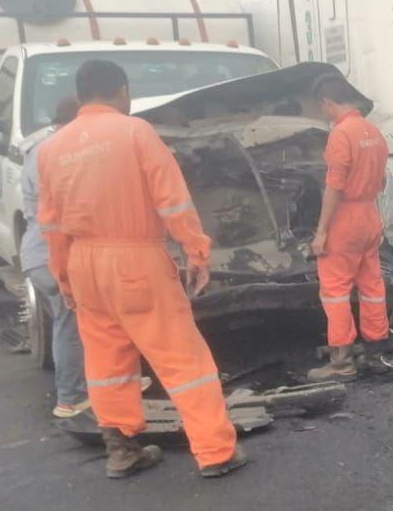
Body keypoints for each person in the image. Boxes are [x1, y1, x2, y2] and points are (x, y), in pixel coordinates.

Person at [37, 59, 246, 479]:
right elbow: (173, 201)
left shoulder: (51, 149)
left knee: (106, 363)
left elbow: (52, 225)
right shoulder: (134, 132)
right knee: (181, 358)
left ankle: (121, 450)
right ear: (123, 92)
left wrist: (64, 278)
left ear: (80, 98)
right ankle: (214, 451)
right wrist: (196, 252)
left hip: (84, 265)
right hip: (134, 258)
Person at [308, 75, 389, 380]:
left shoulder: (341, 134)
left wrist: (321, 232)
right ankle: (376, 348)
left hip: (346, 218)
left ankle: (341, 360)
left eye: (323, 108)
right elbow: (380, 181)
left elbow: (334, 188)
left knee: (335, 289)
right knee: (371, 284)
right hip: (370, 214)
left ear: (328, 102)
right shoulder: (373, 131)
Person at [20, 96, 89, 418]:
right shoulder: (59, 152)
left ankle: (93, 388)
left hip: (37, 253)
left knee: (73, 322)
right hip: (51, 254)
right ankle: (72, 398)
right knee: (70, 322)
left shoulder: (42, 149)